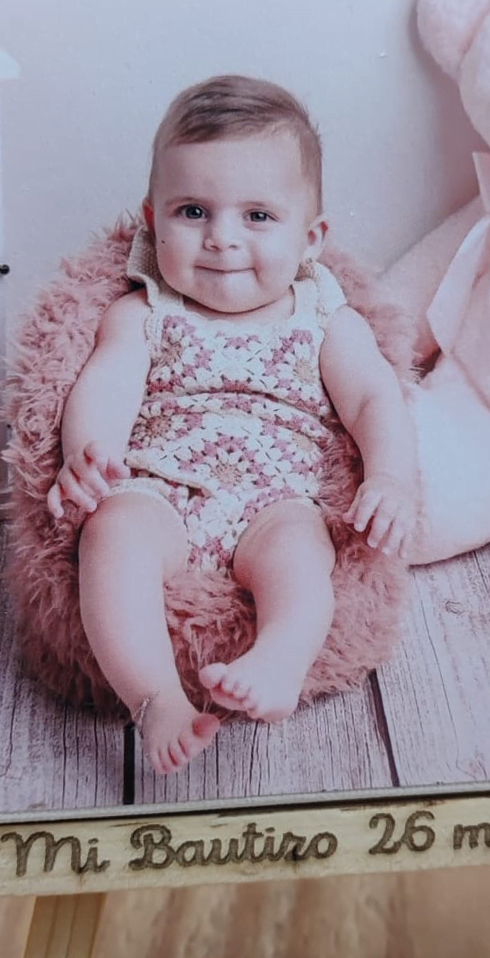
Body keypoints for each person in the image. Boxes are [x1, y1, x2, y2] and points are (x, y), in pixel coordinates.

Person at [47, 75, 417, 775]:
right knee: (111, 537)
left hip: (276, 500)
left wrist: (391, 478)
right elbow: (103, 387)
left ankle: (280, 657)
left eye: (257, 216)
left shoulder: (326, 320)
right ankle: (155, 699)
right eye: (193, 211)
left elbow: (375, 399)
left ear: (310, 238)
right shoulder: (144, 312)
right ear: (152, 221)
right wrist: (87, 457)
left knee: (303, 557)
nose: (221, 239)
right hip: (160, 490)